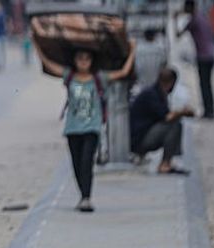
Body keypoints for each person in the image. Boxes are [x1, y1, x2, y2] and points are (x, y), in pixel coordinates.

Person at [33, 40, 136, 213]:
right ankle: (83, 195)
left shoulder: (99, 77)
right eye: (79, 59)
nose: (83, 62)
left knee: (87, 162)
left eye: (86, 59)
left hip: (91, 128)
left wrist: (132, 50)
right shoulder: (69, 76)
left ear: (91, 61)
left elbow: (123, 72)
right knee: (76, 164)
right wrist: (37, 45)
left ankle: (86, 198)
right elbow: (49, 65)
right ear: (74, 60)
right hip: (72, 128)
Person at [129, 68, 196, 174]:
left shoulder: (156, 93)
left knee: (174, 123)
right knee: (175, 126)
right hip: (138, 140)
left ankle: (168, 161)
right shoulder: (152, 94)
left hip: (139, 136)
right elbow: (167, 117)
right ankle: (165, 164)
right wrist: (182, 112)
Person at [179, 0, 214, 119]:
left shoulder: (194, 20)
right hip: (210, 55)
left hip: (203, 57)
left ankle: (208, 111)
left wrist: (176, 18)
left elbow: (178, 34)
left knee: (204, 85)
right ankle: (210, 110)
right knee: (208, 84)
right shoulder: (202, 17)